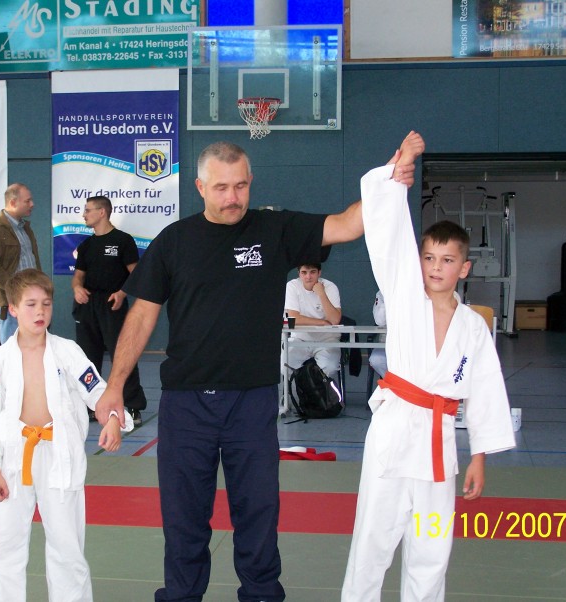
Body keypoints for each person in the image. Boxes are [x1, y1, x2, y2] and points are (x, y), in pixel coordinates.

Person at [93, 139, 417, 602]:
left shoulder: (274, 229)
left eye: (241, 186)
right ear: (200, 187)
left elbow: (347, 224)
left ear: (251, 183)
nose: (233, 197)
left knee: (258, 513)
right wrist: (115, 386)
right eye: (221, 188)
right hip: (186, 403)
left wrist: (387, 179)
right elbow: (142, 315)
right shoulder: (174, 241)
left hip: (252, 401)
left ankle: (262, 595)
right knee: (184, 518)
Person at [340, 132, 516, 601]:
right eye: (429, 258)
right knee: (372, 543)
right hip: (394, 434)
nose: (436, 267)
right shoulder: (405, 298)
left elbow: (485, 390)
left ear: (464, 268)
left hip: (439, 446)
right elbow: (391, 238)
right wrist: (398, 170)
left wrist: (479, 455)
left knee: (431, 550)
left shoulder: (473, 326)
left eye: (447, 260)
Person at [0, 268, 133, 601]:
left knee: (67, 546)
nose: (40, 312)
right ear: (13, 308)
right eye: (31, 304)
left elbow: (97, 391)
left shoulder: (68, 352)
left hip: (59, 457)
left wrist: (112, 419)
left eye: (46, 304)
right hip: (13, 459)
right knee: (4, 546)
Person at [72, 195, 147, 427]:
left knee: (122, 354)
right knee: (87, 358)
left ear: (102, 212)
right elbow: (78, 276)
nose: (84, 214)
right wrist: (77, 288)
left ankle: (132, 405)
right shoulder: (86, 245)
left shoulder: (123, 241)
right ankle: (90, 406)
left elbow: (137, 274)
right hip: (88, 306)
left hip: (113, 305)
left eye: (88, 210)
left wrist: (122, 293)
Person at [0, 183, 41, 344]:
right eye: (27, 201)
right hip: (10, 299)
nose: (32, 204)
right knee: (13, 348)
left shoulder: (25, 229)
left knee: (32, 346)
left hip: (31, 296)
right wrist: (12, 286)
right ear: (13, 202)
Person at [284, 262, 343, 378]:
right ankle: (297, 390)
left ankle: (323, 390)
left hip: (327, 339)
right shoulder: (292, 286)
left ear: (319, 273)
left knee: (329, 368)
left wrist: (321, 293)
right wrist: (322, 322)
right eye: (304, 272)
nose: (308, 277)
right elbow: (293, 318)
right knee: (284, 366)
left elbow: (335, 320)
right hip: (300, 338)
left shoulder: (330, 287)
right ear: (299, 274)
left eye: (312, 272)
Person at [368, 290, 387, 378]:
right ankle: (393, 383)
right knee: (376, 359)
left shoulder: (420, 291)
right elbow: (379, 321)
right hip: (386, 344)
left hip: (414, 346)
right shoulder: (382, 292)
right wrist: (388, 297)